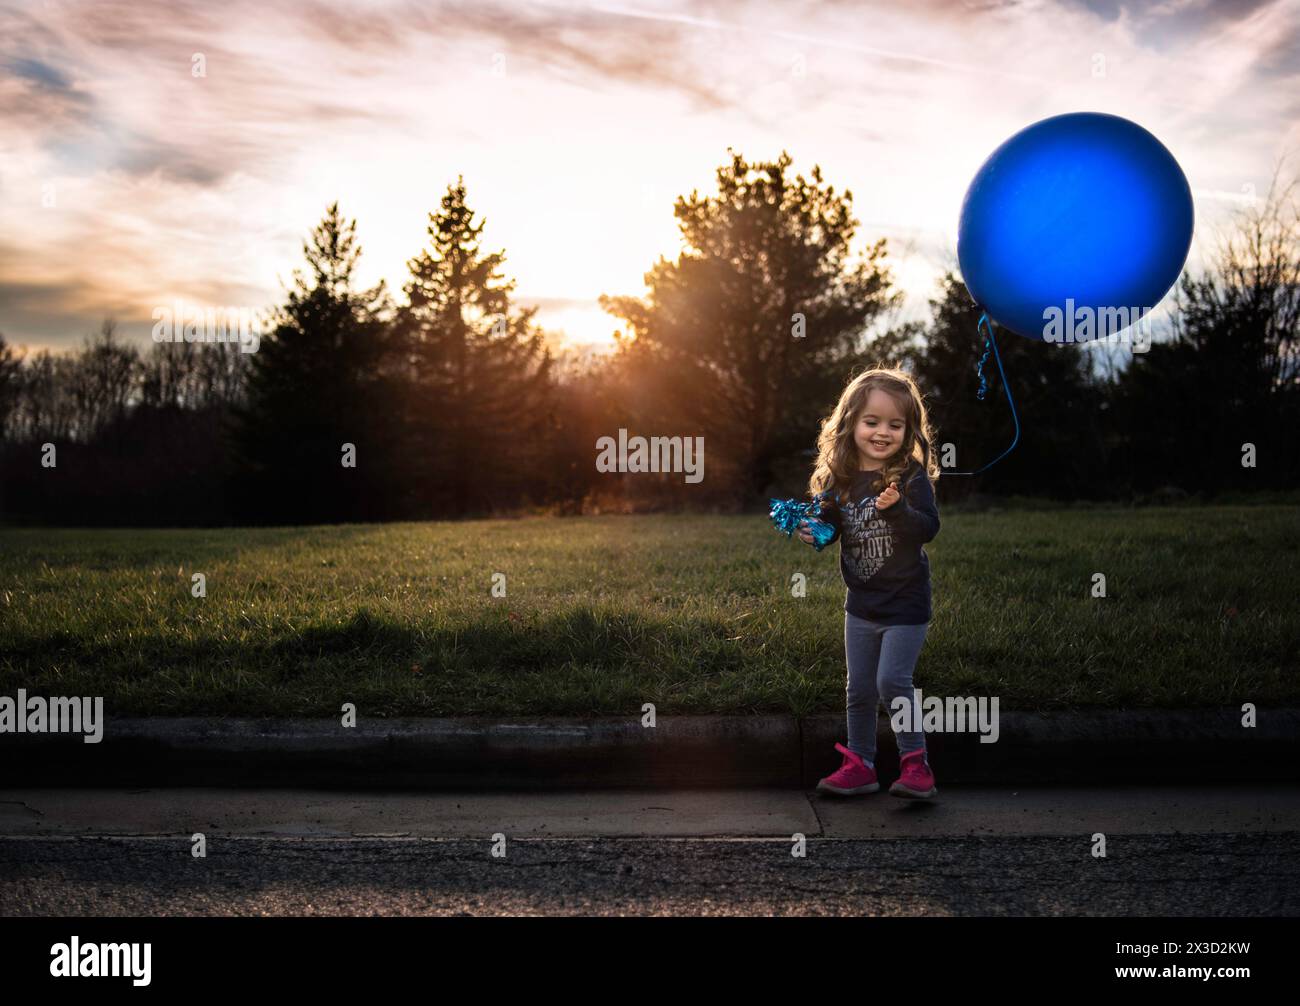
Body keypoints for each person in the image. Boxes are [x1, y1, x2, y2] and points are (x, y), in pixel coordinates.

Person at [796, 367, 941, 799]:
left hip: (905, 605)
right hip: (860, 606)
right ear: (851, 423)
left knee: (892, 683)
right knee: (858, 689)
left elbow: (927, 529)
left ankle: (917, 767)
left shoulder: (910, 478)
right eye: (872, 422)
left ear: (909, 429)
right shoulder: (840, 478)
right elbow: (830, 527)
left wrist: (897, 509)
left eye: (895, 425)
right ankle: (860, 764)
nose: (882, 432)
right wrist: (813, 531)